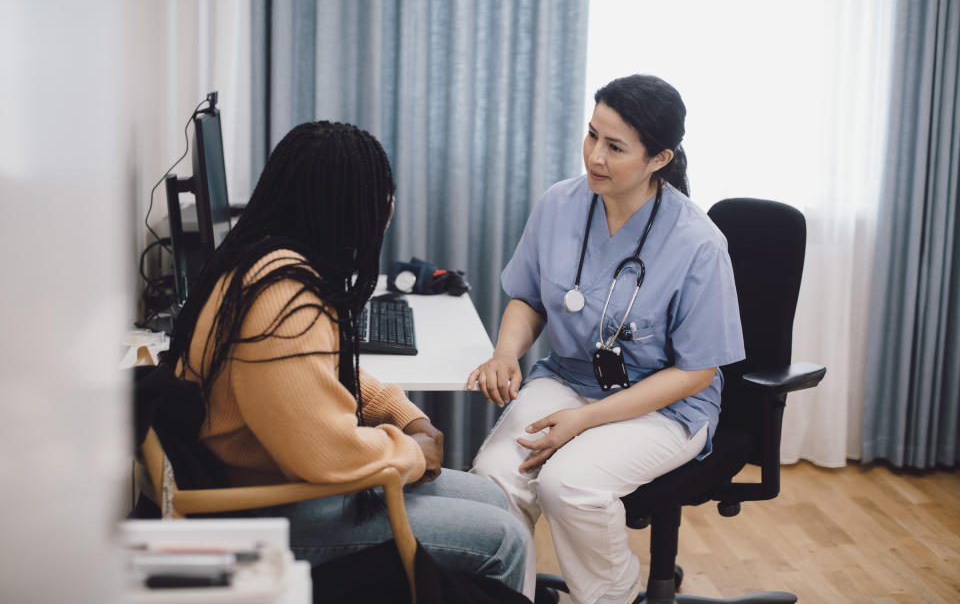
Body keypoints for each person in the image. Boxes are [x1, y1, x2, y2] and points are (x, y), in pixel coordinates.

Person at [164, 121, 529, 594]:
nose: (388, 209)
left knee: (491, 498)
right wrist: (412, 453)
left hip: (277, 482)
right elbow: (326, 457)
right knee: (506, 539)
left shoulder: (263, 264)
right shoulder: (282, 298)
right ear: (348, 210)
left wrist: (405, 416)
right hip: (266, 509)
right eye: (381, 198)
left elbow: (324, 371)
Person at [468, 75, 745, 604]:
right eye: (592, 135)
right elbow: (527, 298)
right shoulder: (559, 205)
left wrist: (587, 420)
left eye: (615, 147)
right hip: (570, 378)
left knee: (569, 484)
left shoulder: (698, 243)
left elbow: (697, 371)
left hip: (667, 405)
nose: (595, 155)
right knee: (496, 475)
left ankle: (612, 598)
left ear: (659, 158)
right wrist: (506, 352)